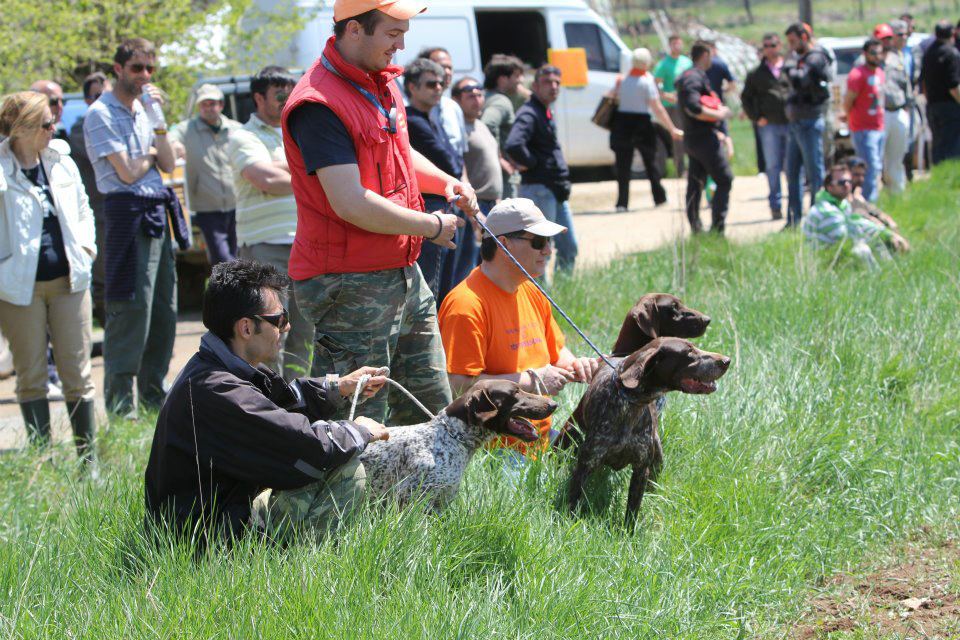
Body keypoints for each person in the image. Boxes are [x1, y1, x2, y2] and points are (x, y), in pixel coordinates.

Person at [280, 0, 479, 426]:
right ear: (354, 29)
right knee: (358, 423)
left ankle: (421, 496)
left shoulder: (377, 83)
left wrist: (447, 183)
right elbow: (349, 201)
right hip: (348, 283)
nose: (402, 45)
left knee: (431, 414)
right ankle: (347, 498)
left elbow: (398, 151)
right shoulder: (319, 103)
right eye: (392, 33)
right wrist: (431, 226)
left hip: (401, 273)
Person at [144, 259, 390, 543]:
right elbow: (307, 445)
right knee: (346, 471)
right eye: (279, 319)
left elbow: (280, 403)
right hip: (202, 542)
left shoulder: (216, 367)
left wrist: (338, 387)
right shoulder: (217, 390)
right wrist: (360, 430)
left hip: (210, 517)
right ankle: (305, 569)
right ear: (246, 328)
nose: (286, 327)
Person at [438, 198, 598, 455]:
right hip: (493, 450)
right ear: (504, 244)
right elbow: (458, 385)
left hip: (538, 439)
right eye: (538, 242)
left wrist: (575, 365)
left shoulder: (530, 289)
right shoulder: (466, 305)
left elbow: (557, 353)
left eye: (549, 242)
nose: (548, 250)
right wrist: (532, 381)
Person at [83, 37, 184, 416]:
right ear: (118, 70)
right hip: (126, 214)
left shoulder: (146, 110)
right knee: (131, 309)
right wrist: (151, 158)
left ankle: (154, 397)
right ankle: (122, 406)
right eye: (137, 68)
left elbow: (169, 160)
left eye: (149, 69)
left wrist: (158, 123)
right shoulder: (101, 112)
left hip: (156, 211)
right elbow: (126, 173)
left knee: (163, 309)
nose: (144, 76)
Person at [0, 91, 97, 461]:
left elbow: (84, 208)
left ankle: (88, 460)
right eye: (44, 123)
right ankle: (43, 459)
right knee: (31, 376)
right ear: (21, 128)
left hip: (70, 282)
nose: (52, 127)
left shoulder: (62, 161)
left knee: (78, 374)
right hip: (17, 290)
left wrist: (87, 250)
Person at [227, 66, 314, 382]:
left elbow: (279, 176)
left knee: (304, 331)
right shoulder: (242, 136)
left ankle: (295, 398)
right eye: (279, 93)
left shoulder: (299, 131)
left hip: (306, 245)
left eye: (290, 92)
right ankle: (267, 402)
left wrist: (284, 169)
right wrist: (310, 173)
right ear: (258, 97)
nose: (286, 99)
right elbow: (263, 178)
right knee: (269, 331)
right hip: (267, 246)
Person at [405, 57, 467, 304]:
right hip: (430, 210)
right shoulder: (411, 121)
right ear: (412, 87)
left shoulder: (431, 118)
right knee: (432, 292)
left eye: (441, 83)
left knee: (447, 287)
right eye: (431, 84)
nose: (439, 88)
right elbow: (450, 162)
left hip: (444, 205)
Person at [504, 65, 578, 272]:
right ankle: (541, 296)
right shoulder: (529, 112)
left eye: (557, 82)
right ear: (535, 86)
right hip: (540, 188)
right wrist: (533, 164)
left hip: (554, 189)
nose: (553, 87)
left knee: (569, 247)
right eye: (547, 82)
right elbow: (513, 144)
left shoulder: (544, 110)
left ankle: (564, 292)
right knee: (540, 249)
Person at [169, 84, 242, 265]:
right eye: (204, 104)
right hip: (207, 207)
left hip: (237, 203)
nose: (209, 108)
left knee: (239, 255)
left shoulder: (236, 129)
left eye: (213, 103)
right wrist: (176, 145)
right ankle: (228, 291)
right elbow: (170, 136)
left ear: (221, 105)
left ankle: (235, 292)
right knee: (222, 258)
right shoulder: (187, 129)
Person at [609, 47, 683, 212]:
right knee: (651, 162)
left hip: (622, 124)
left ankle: (622, 203)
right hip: (642, 124)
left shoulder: (621, 80)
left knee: (623, 166)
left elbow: (612, 97)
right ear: (646, 62)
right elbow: (658, 108)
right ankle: (659, 198)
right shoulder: (647, 81)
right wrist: (672, 129)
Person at [676, 41, 733, 234]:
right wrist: (719, 115)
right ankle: (717, 229)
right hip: (703, 140)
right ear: (706, 55)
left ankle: (696, 227)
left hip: (694, 139)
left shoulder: (690, 75)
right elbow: (693, 107)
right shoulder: (693, 78)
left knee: (696, 183)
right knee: (724, 179)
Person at [69, 72, 111, 325]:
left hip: (121, 211)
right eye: (97, 96)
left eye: (106, 95)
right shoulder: (79, 129)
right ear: (86, 100)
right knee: (105, 278)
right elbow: (107, 159)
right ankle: (110, 334)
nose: (103, 101)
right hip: (100, 215)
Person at [803, 164, 908, 263]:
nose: (847, 185)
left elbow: (857, 222)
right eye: (841, 182)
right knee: (862, 250)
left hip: (834, 251)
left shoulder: (842, 204)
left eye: (849, 181)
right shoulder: (825, 210)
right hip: (821, 259)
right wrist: (880, 235)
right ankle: (875, 279)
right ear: (829, 187)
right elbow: (846, 236)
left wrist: (887, 234)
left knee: (878, 243)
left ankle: (889, 273)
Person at [783, 22, 833, 229]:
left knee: (815, 173)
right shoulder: (800, 60)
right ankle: (793, 220)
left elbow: (801, 81)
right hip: (796, 122)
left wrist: (788, 68)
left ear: (804, 37)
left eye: (794, 41)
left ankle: (816, 218)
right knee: (792, 173)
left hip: (810, 121)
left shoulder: (816, 58)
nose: (791, 46)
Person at [742, 33, 792, 219]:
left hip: (790, 124)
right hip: (769, 125)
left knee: (792, 166)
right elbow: (746, 98)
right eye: (766, 46)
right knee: (772, 166)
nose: (770, 49)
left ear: (779, 45)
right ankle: (775, 205)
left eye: (772, 45)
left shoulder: (789, 69)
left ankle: (794, 206)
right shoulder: (756, 74)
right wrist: (756, 117)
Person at [451, 76, 498, 266]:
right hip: (473, 206)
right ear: (456, 100)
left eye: (479, 95)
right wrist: (473, 212)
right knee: (470, 266)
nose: (476, 99)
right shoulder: (457, 129)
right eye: (470, 96)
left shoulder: (482, 126)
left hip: (491, 203)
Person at [844, 38, 886, 203]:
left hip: (879, 126)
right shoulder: (857, 75)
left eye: (879, 53)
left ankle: (871, 201)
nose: (877, 56)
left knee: (876, 168)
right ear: (865, 54)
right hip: (863, 128)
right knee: (869, 168)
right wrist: (851, 119)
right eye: (873, 53)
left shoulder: (880, 73)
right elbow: (848, 102)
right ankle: (868, 203)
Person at [481, 54, 525, 199]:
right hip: (502, 177)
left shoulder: (483, 96)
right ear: (502, 79)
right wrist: (499, 157)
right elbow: (488, 123)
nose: (520, 81)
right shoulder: (501, 101)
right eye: (516, 76)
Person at [417, 47, 469, 162]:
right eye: (441, 67)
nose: (447, 72)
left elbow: (460, 154)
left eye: (449, 67)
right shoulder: (412, 109)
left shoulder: (453, 107)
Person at [880, 21, 914, 195]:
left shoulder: (898, 57)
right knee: (877, 160)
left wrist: (908, 108)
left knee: (897, 158)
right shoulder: (870, 59)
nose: (903, 38)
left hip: (898, 110)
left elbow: (906, 85)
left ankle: (897, 196)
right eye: (898, 34)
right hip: (880, 114)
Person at [920, 20, 960, 164]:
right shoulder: (952, 53)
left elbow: (923, 82)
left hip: (932, 106)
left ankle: (939, 174)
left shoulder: (928, 52)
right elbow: (953, 86)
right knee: (953, 147)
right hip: (950, 107)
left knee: (938, 145)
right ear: (953, 34)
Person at [653, 34, 692, 176]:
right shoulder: (663, 64)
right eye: (674, 44)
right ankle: (669, 169)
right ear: (670, 45)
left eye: (679, 43)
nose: (677, 46)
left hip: (684, 104)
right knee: (671, 136)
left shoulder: (687, 62)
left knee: (683, 136)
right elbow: (656, 84)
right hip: (669, 105)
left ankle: (684, 168)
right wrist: (665, 95)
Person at [845, 156, 901, 230]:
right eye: (856, 175)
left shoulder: (857, 194)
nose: (861, 179)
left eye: (863, 175)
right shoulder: (842, 193)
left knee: (888, 220)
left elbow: (874, 211)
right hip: (857, 225)